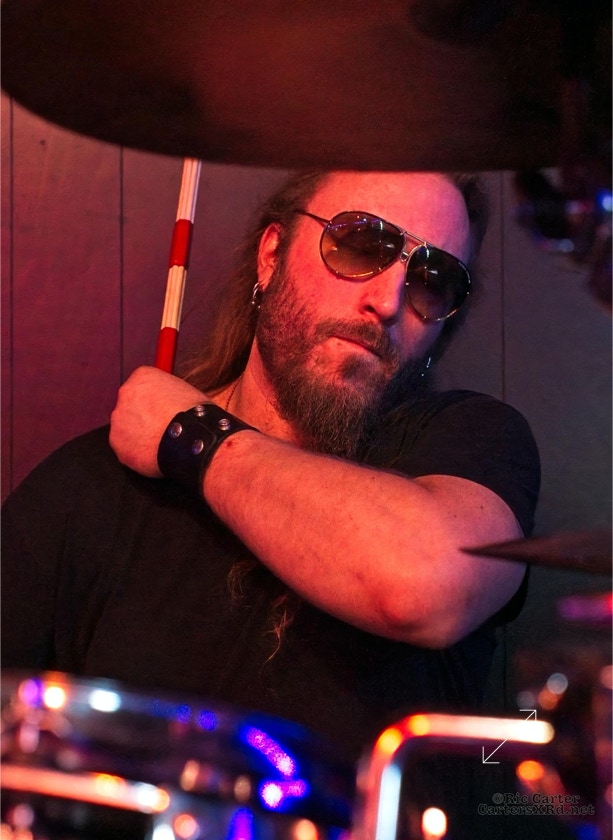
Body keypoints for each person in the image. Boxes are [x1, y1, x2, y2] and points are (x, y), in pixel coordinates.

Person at [2, 169, 540, 766]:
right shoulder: (87, 492)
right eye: (361, 244)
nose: (388, 302)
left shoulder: (470, 443)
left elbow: (423, 583)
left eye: (432, 280)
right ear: (271, 254)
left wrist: (192, 435)